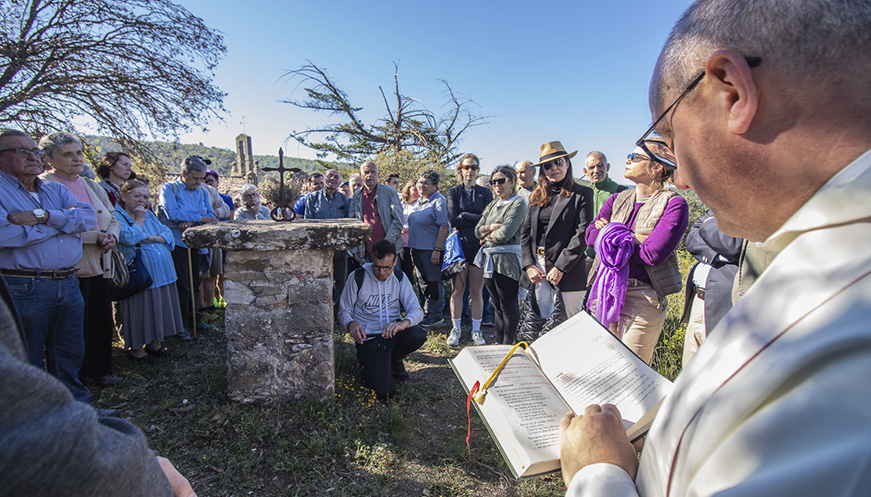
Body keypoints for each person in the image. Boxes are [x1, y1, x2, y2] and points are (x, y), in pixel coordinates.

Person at [560, 2, 871, 496]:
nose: (679, 174)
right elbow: (601, 234)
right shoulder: (813, 254)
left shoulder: (847, 327)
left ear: (733, 93)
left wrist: (600, 474)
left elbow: (648, 249)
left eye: (669, 135)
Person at [0, 276, 197, 497]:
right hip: (29, 278)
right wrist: (143, 475)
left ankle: (83, 412)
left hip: (66, 278)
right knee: (35, 359)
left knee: (70, 360)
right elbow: (21, 428)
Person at [0, 128, 96, 404]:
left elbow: (88, 218)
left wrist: (42, 217)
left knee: (68, 353)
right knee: (27, 356)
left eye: (35, 151)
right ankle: (36, 419)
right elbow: (4, 235)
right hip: (24, 285)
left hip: (67, 281)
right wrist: (61, 225)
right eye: (21, 151)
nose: (32, 157)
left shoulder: (54, 189)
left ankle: (76, 412)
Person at [585, 142, 689, 365]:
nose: (627, 160)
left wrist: (610, 233)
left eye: (635, 157)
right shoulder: (617, 199)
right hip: (606, 293)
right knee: (601, 366)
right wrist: (629, 239)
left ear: (657, 167)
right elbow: (591, 236)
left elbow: (652, 255)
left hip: (643, 299)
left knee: (631, 372)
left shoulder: (674, 204)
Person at [39, 132, 121, 388]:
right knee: (73, 327)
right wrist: (94, 237)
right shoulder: (43, 186)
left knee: (99, 320)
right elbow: (54, 225)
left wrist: (111, 237)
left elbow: (113, 217)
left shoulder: (91, 185)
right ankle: (76, 378)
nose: (76, 158)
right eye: (67, 154)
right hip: (70, 267)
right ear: (49, 159)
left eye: (78, 153)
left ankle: (98, 371)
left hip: (100, 264)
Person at [337, 238, 426, 398]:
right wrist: (351, 324)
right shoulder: (357, 277)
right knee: (384, 392)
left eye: (387, 268)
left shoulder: (399, 277)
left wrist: (403, 324)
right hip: (369, 338)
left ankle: (395, 359)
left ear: (395, 261)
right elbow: (343, 311)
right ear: (372, 260)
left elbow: (417, 311)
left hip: (393, 334)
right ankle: (374, 363)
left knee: (417, 334)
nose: (381, 272)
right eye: (377, 267)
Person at [520, 141, 594, 323]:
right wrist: (529, 265)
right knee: (541, 322)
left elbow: (581, 233)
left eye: (559, 162)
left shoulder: (582, 194)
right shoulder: (536, 196)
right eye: (547, 165)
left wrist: (561, 267)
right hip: (539, 269)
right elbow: (526, 234)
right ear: (542, 171)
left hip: (569, 269)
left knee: (571, 323)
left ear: (567, 163)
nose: (554, 168)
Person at [115, 179, 185, 356]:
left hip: (162, 271)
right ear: (123, 196)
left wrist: (152, 238)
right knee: (140, 308)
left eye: (145, 196)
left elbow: (168, 234)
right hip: (139, 272)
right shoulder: (117, 215)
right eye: (136, 195)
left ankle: (154, 343)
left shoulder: (150, 214)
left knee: (158, 306)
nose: (141, 200)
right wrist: (139, 220)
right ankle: (137, 348)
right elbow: (129, 238)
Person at [158, 155, 217, 339]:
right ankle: (180, 324)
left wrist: (191, 219)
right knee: (182, 284)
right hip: (177, 243)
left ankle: (195, 318)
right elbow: (172, 213)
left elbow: (211, 215)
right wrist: (197, 218)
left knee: (194, 283)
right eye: (195, 178)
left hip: (196, 243)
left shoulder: (201, 192)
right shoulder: (169, 189)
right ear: (184, 173)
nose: (198, 182)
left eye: (201, 179)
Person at [680, 210, 742, 367]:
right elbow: (692, 237)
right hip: (697, 301)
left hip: (723, 305)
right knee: (688, 377)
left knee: (715, 374)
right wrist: (719, 255)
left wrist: (708, 224)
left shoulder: (750, 203)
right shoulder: (721, 201)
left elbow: (733, 244)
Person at [474, 165, 528, 344]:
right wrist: (491, 227)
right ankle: (498, 341)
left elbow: (506, 233)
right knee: (496, 305)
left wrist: (486, 236)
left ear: (512, 182)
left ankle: (509, 344)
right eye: (493, 182)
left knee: (508, 305)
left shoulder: (518, 203)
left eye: (501, 181)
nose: (497, 185)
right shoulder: (491, 205)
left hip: (507, 262)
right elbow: (476, 231)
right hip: (490, 260)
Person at [445, 153, 492, 346]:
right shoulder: (454, 192)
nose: (470, 171)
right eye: (466, 167)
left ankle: (476, 330)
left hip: (478, 246)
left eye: (473, 167)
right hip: (459, 247)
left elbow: (488, 219)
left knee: (476, 292)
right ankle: (455, 329)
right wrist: (475, 217)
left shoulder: (485, 192)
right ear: (460, 170)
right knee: (457, 290)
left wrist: (464, 214)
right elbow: (452, 219)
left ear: (478, 169)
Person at [406, 169, 449, 327]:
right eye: (420, 182)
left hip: (431, 250)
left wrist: (437, 250)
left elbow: (444, 226)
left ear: (435, 186)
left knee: (433, 282)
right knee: (422, 282)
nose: (421, 185)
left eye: (426, 183)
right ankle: (426, 312)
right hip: (416, 248)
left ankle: (436, 315)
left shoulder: (439, 201)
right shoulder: (419, 201)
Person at [305, 168, 350, 304]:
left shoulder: (343, 199)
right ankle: (321, 306)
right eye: (329, 176)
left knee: (341, 280)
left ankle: (339, 311)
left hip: (339, 248)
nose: (332, 179)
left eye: (336, 177)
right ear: (324, 179)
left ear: (339, 182)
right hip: (320, 249)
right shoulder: (313, 198)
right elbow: (308, 222)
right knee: (320, 279)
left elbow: (348, 222)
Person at [348, 161, 404, 262]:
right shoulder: (357, 195)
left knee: (391, 277)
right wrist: (355, 249)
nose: (370, 175)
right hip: (365, 252)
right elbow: (353, 223)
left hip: (389, 251)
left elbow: (398, 221)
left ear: (378, 175)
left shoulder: (389, 192)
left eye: (373, 172)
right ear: (361, 175)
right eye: (366, 172)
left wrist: (386, 243)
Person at [583, 151, 629, 259]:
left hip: (608, 257)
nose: (596, 171)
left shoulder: (621, 193)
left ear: (607, 167)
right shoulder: (584, 193)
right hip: (583, 259)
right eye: (591, 167)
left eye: (600, 166)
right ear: (585, 171)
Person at [199, 168, 231, 314]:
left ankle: (211, 304)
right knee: (201, 275)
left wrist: (214, 213)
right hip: (201, 237)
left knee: (213, 273)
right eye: (206, 180)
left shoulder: (214, 193)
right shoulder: (197, 192)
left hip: (215, 237)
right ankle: (202, 305)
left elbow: (225, 210)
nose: (209, 183)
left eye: (211, 180)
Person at [398, 180, 419, 283]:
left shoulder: (420, 204)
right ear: (408, 190)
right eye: (414, 189)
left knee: (414, 271)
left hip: (414, 242)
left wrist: (405, 229)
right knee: (404, 271)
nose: (417, 193)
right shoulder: (401, 202)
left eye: (419, 190)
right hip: (401, 243)